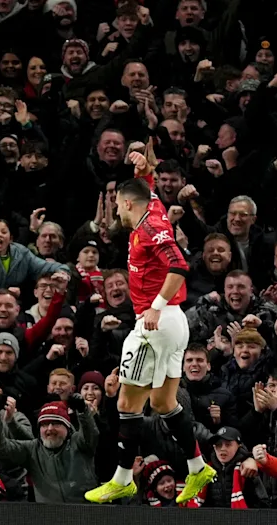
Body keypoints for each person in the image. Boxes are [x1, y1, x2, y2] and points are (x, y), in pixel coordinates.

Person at [86, 141, 211, 504]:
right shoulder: (150, 206)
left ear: (126, 203)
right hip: (175, 324)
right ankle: (197, 466)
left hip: (154, 323)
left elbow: (179, 264)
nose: (117, 214)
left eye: (118, 206)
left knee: (127, 402)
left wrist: (155, 306)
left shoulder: (152, 228)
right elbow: (147, 187)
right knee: (162, 402)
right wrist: (144, 168)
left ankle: (123, 477)